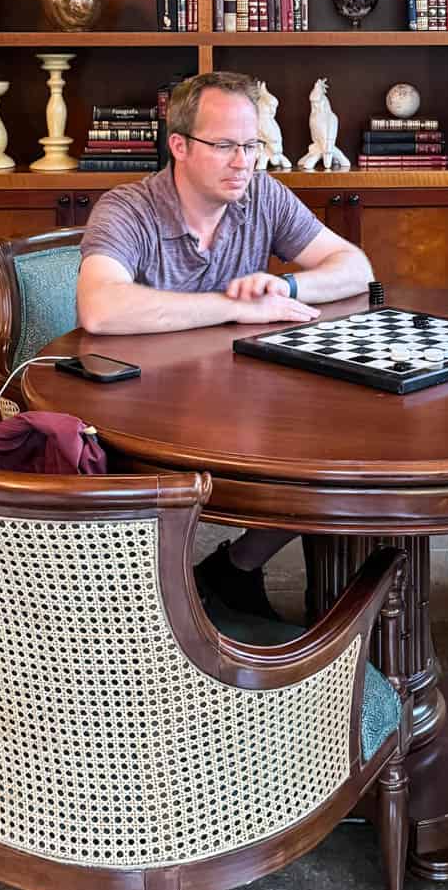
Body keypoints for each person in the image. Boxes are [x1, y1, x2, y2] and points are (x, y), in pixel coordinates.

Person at [78, 70, 373, 618]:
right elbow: (100, 307)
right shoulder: (128, 208)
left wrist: (285, 285)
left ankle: (236, 570)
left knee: (339, 452)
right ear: (180, 147)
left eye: (253, 145)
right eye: (226, 146)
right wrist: (234, 306)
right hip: (146, 415)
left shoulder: (261, 194)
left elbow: (357, 268)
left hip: (239, 403)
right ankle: (151, 612)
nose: (244, 161)